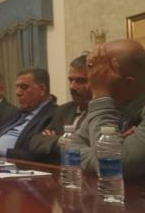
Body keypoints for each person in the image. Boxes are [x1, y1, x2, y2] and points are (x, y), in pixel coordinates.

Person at [75, 39, 145, 179]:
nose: (90, 87)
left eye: (101, 79)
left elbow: (113, 166)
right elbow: (71, 146)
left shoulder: (104, 99)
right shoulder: (115, 102)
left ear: (129, 84)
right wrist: (103, 155)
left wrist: (101, 95)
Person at [0, 67, 56, 160]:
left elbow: (39, 156)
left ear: (42, 89)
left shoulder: (54, 115)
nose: (17, 92)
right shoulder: (17, 114)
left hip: (19, 165)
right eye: (17, 87)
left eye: (24, 87)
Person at [29, 55, 92, 162]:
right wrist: (61, 141)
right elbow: (35, 142)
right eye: (70, 80)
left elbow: (91, 148)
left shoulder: (102, 112)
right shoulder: (63, 110)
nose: (72, 87)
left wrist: (54, 141)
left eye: (80, 81)